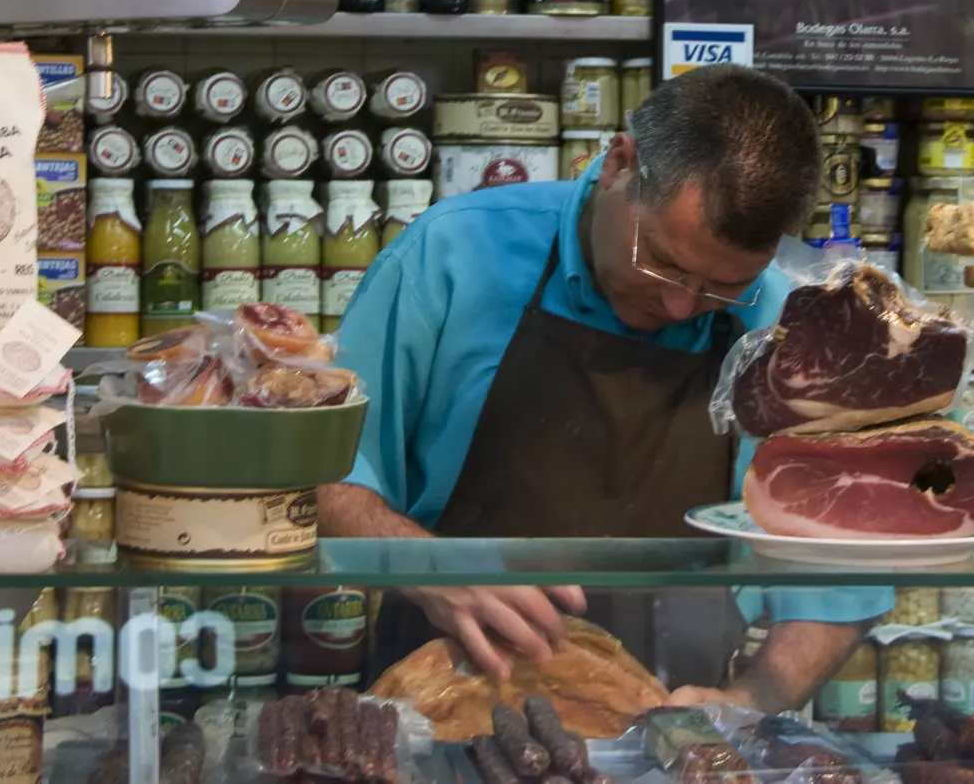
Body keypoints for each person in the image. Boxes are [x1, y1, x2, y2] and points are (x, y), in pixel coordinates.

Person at [322, 65, 889, 708]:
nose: (679, 306)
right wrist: (433, 570)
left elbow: (838, 584)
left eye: (720, 290)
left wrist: (748, 701)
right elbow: (328, 477)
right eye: (664, 263)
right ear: (621, 162)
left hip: (665, 731)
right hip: (441, 706)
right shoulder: (451, 256)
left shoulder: (784, 328)